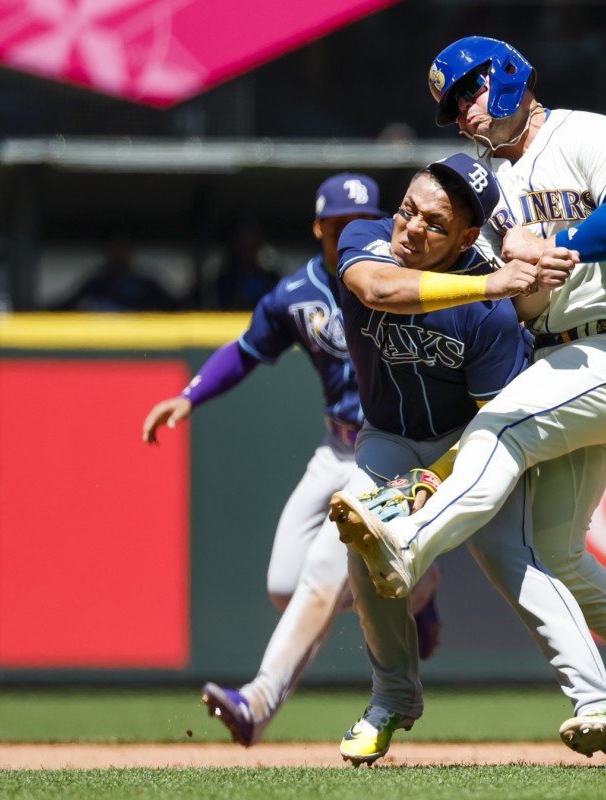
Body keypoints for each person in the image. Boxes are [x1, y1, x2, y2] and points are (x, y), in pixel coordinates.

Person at [331, 36, 606, 765]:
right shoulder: (487, 187)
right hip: (558, 361)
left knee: (498, 428)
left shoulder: (586, 133)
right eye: (452, 107)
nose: (465, 114)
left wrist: (564, 238)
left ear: (506, 77)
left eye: (468, 93)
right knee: (557, 554)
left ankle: (406, 541)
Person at [142, 173, 440, 746]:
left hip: (389, 452)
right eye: (337, 225)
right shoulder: (296, 294)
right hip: (336, 447)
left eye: (362, 220)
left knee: (324, 573)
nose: (349, 232)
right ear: (318, 229)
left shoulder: (401, 276)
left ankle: (258, 701)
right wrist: (189, 395)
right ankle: (417, 587)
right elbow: (246, 349)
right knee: (286, 584)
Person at [50, 233, 180, 312]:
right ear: (107, 252)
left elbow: (176, 307)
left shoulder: (148, 284)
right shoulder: (96, 284)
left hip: (142, 342)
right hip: (103, 341)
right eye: (115, 248)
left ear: (132, 252)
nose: (120, 254)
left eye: (124, 248)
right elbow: (65, 307)